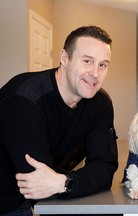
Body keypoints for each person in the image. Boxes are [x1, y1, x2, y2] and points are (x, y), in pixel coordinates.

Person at [0, 25, 119, 215]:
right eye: (87, 61)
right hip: (6, 198)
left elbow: (105, 167)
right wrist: (65, 183)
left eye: (103, 65)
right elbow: (38, 184)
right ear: (65, 58)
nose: (95, 73)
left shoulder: (100, 103)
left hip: (29, 198)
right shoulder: (25, 100)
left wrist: (65, 183)